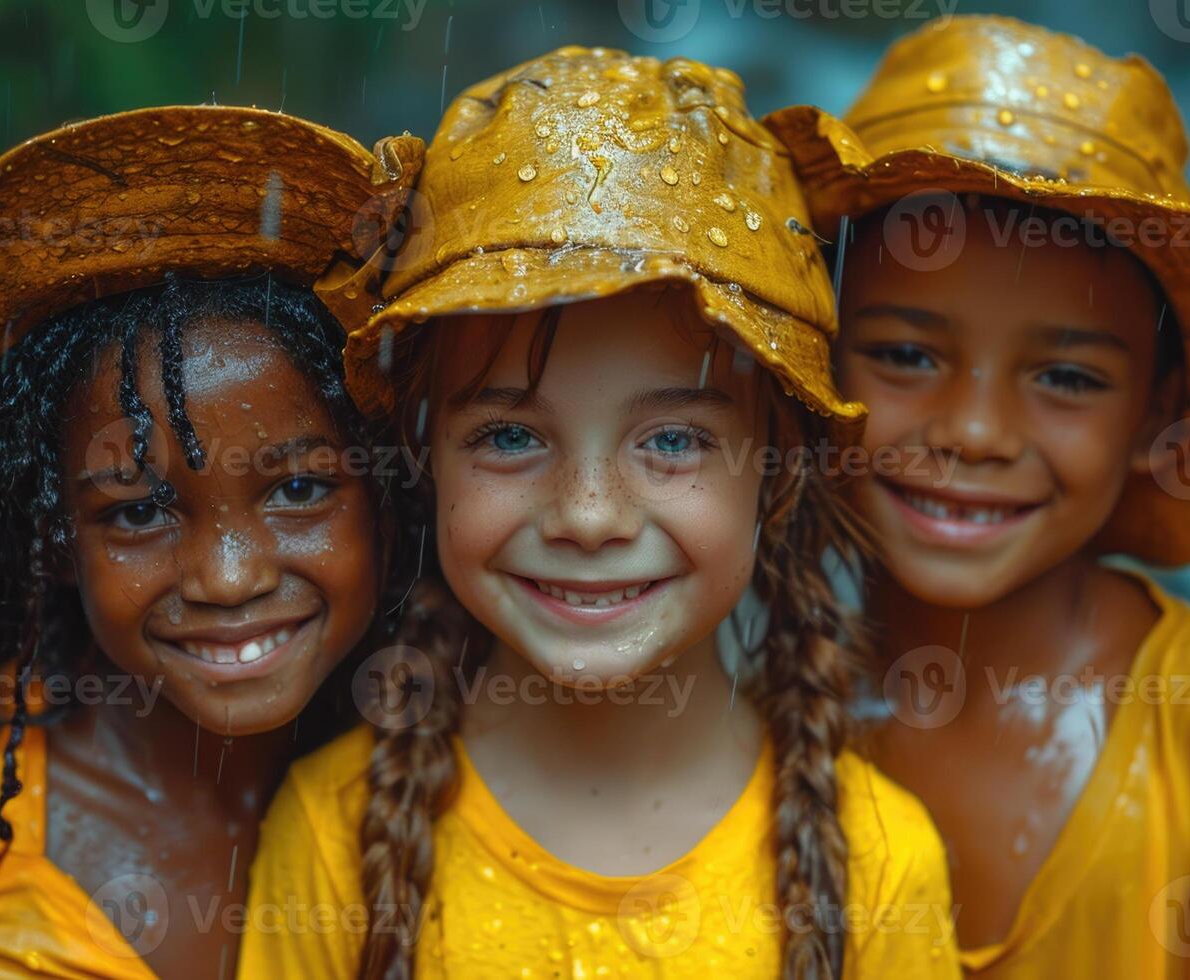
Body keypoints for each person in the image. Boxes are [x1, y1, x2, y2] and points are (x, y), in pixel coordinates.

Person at [241, 47, 961, 979]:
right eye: (508, 437)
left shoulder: (880, 864)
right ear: (423, 461)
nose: (587, 517)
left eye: (671, 442)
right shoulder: (331, 836)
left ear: (776, 471)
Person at [0, 105, 422, 978]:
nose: (226, 575)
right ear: (56, 533)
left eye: (297, 490)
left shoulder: (444, 779)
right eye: (138, 511)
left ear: (388, 496)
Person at [766, 16, 1190, 977]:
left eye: (1067, 379)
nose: (976, 432)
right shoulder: (740, 675)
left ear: (1158, 416)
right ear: (813, 356)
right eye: (906, 356)